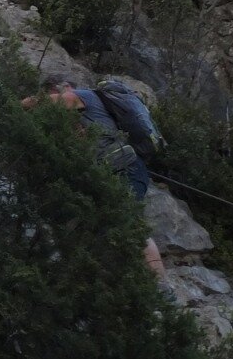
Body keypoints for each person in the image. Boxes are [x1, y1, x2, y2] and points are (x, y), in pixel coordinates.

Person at [29, 76, 167, 278]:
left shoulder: (84, 96)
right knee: (103, 227)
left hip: (125, 171)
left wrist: (9, 105)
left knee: (128, 223)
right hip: (115, 172)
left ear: (64, 88)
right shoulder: (77, 120)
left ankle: (161, 287)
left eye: (54, 94)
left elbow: (39, 103)